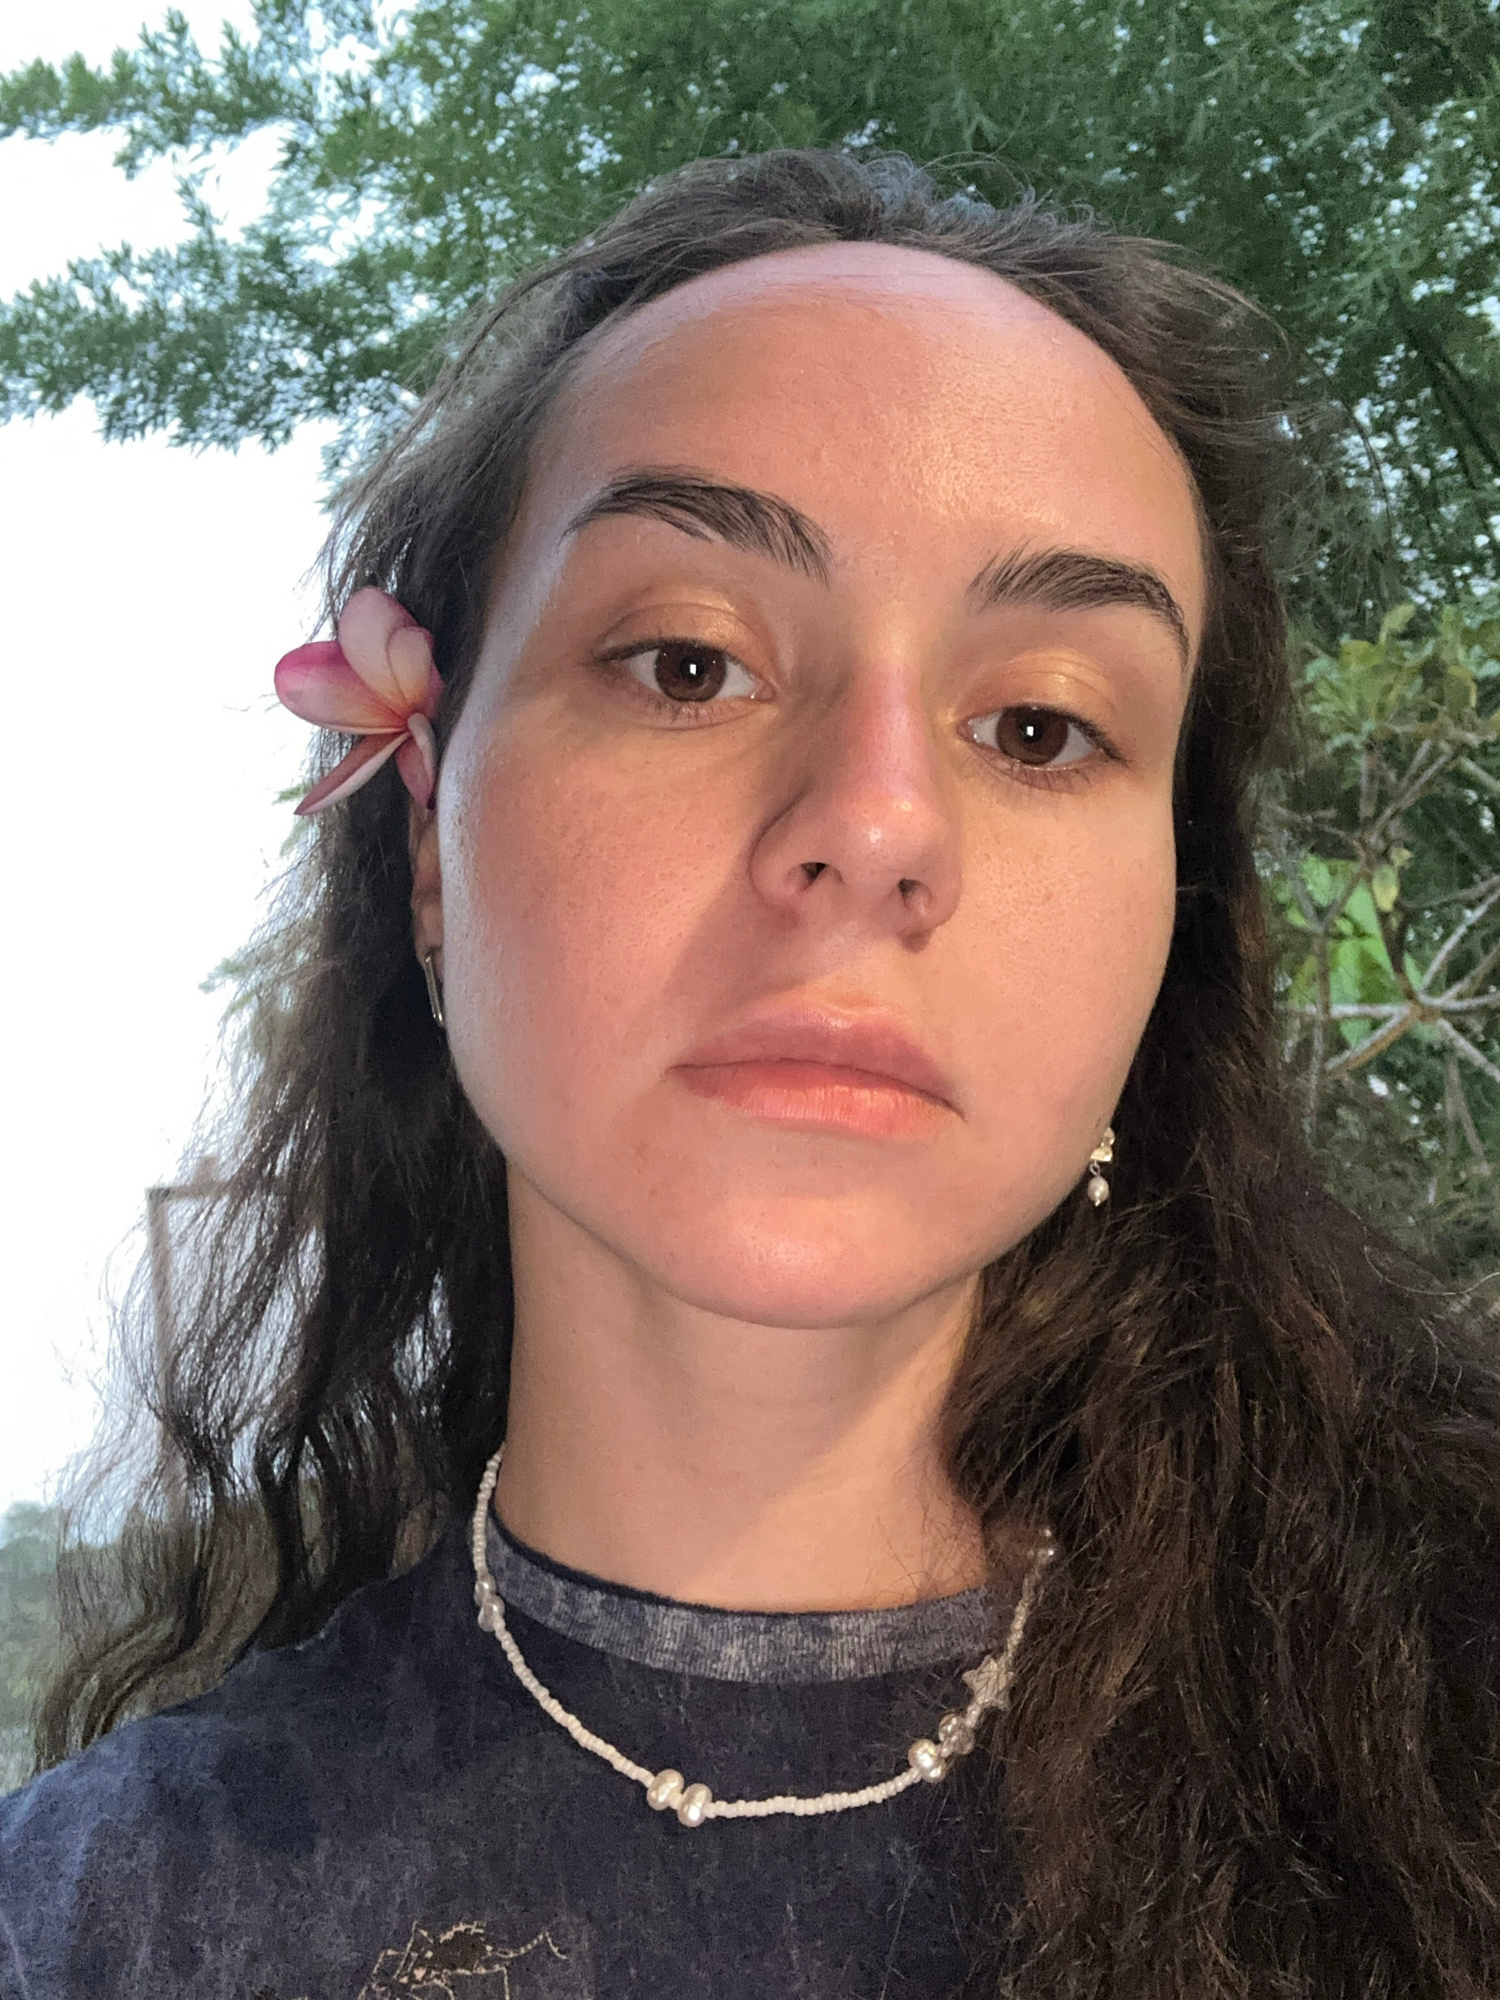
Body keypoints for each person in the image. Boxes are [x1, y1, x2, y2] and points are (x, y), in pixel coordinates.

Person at [2, 146, 1498, 2000]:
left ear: (1168, 932)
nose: (875, 826)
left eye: (1041, 726)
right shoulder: (93, 1926)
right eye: (689, 666)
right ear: (428, 847)